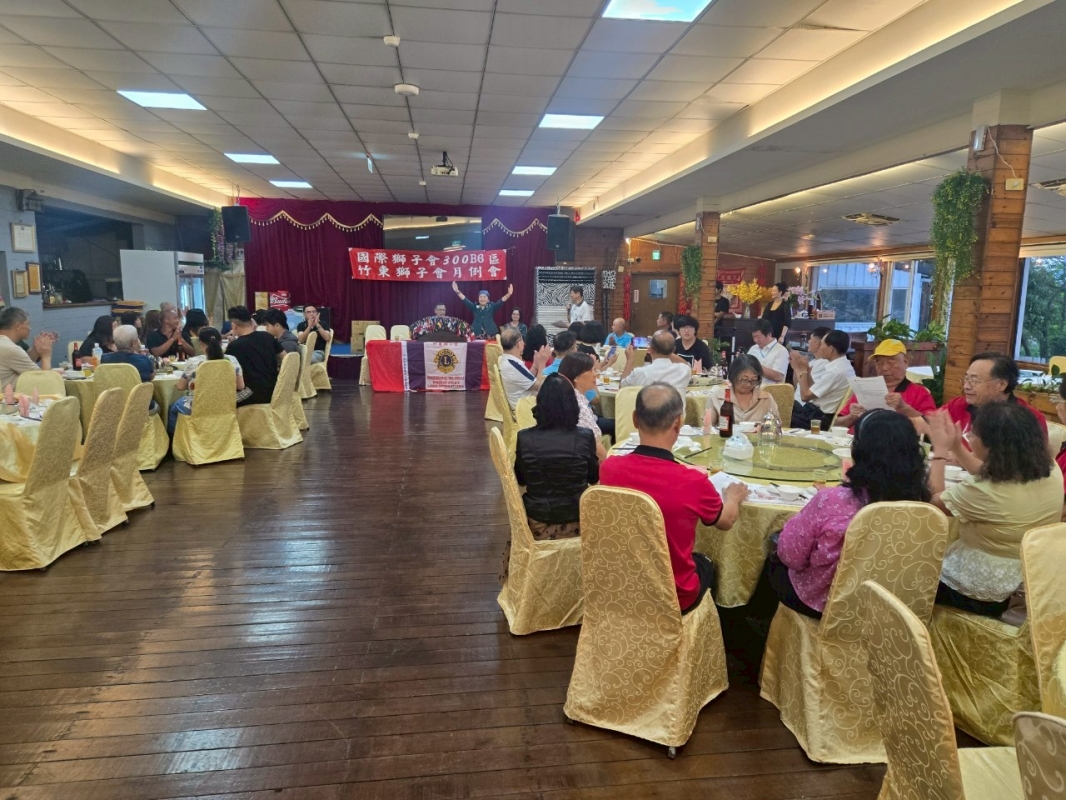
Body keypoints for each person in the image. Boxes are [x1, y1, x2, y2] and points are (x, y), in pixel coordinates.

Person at [767, 410, 932, 617]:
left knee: (773, 559)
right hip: (890, 607)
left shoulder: (832, 500)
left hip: (825, 604)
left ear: (859, 451)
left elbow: (791, 557)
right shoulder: (922, 505)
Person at [600, 383, 748, 612]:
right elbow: (726, 521)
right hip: (673, 595)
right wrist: (733, 497)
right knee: (707, 563)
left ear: (635, 419)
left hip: (619, 585)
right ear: (678, 423)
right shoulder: (692, 482)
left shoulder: (609, 469)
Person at [927, 404, 1063, 617]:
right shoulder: (1050, 468)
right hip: (1034, 576)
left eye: (972, 434)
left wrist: (940, 452)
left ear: (991, 446)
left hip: (989, 590)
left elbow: (934, 504)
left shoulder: (983, 491)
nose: (969, 437)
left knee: (913, 572)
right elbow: (990, 473)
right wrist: (957, 446)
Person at [503, 374, 599, 582]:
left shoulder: (525, 437)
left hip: (538, 520)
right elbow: (594, 477)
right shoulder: (585, 436)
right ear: (572, 406)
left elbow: (521, 479)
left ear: (540, 405)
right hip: (578, 519)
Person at [918, 352, 1048, 445]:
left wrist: (962, 458)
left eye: (974, 380)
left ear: (1002, 384)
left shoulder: (1029, 418)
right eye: (966, 379)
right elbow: (924, 422)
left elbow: (1030, 466)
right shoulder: (959, 405)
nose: (966, 386)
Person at [835, 339, 937, 432]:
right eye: (879, 363)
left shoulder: (920, 392)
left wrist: (905, 408)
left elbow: (933, 427)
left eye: (891, 362)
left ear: (905, 361)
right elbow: (836, 424)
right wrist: (852, 417)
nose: (884, 368)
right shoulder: (866, 388)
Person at [168, 327, 247, 434]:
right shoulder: (232, 360)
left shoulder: (194, 362)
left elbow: (180, 387)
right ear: (220, 342)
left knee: (173, 409)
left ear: (200, 343)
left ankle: (178, 440)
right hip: (224, 405)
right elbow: (241, 386)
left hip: (198, 406)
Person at [788, 329, 855, 429]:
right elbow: (812, 390)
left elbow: (805, 397)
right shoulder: (844, 366)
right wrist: (807, 370)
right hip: (814, 412)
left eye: (822, 344)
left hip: (818, 418)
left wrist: (800, 370)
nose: (820, 348)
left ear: (831, 349)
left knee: (780, 411)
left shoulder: (836, 371)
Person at [557, 352, 613, 459]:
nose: (595, 374)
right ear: (576, 378)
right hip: (582, 460)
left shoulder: (565, 395)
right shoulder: (577, 405)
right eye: (591, 370)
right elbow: (598, 451)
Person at [225, 306, 283, 406]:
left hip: (253, 394)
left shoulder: (234, 346)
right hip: (275, 389)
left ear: (234, 326)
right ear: (252, 322)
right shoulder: (268, 336)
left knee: (222, 401)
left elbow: (228, 374)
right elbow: (286, 358)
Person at [703, 354, 780, 428]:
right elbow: (707, 429)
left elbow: (776, 426)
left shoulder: (766, 399)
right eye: (744, 380)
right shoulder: (717, 398)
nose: (749, 384)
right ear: (733, 376)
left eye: (753, 380)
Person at [619, 330, 691, 399]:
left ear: (650, 349)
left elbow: (622, 387)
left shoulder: (640, 372)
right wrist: (667, 348)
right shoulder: (684, 370)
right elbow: (686, 364)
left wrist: (629, 360)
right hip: (676, 408)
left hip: (648, 408)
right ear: (673, 350)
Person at [0, 307, 53, 389]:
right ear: (18, 326)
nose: (30, 328)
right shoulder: (11, 349)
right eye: (28, 324)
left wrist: (35, 350)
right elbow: (44, 381)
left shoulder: (4, 344)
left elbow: (23, 364)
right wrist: (46, 356)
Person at [498, 327, 550, 410]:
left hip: (525, 401)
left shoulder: (507, 360)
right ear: (518, 344)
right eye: (522, 340)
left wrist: (535, 365)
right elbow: (540, 387)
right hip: (527, 407)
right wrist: (542, 364)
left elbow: (526, 379)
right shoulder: (513, 365)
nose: (524, 343)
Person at [747, 319, 788, 385]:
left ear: (769, 334)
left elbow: (777, 376)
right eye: (754, 337)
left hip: (769, 389)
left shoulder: (781, 351)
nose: (756, 340)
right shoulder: (754, 348)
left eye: (758, 337)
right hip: (750, 386)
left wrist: (755, 366)